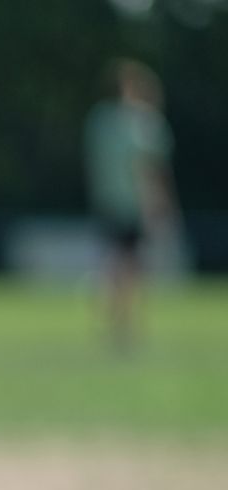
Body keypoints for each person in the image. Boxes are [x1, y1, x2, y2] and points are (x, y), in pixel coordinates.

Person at [85, 59, 178, 353]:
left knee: (117, 263)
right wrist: (160, 205)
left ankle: (115, 317)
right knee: (133, 267)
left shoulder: (100, 121)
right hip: (134, 205)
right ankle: (126, 326)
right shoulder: (144, 125)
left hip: (106, 203)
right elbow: (149, 169)